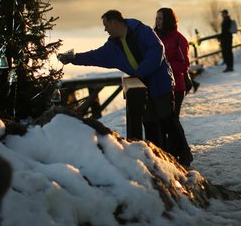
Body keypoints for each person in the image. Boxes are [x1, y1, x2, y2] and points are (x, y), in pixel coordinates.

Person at [57, 10, 193, 167]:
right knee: (149, 124)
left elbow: (157, 50)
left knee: (168, 120)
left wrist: (140, 72)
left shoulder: (142, 31)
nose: (105, 30)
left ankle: (184, 154)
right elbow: (96, 56)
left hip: (160, 83)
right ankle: (158, 159)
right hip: (142, 87)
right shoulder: (113, 45)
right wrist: (74, 59)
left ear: (114, 23)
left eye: (106, 25)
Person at [154, 7, 191, 117]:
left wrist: (165, 66)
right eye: (156, 18)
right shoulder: (153, 37)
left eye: (160, 18)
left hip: (175, 88)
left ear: (168, 20)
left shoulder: (179, 39)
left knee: (172, 123)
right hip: (157, 87)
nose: (157, 21)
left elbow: (185, 65)